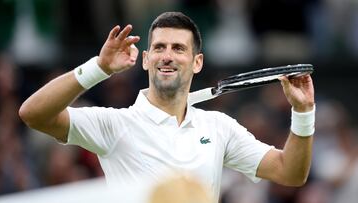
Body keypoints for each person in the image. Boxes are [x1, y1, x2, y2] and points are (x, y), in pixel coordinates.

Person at [19, 12, 315, 202]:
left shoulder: (218, 127)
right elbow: (33, 113)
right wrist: (99, 67)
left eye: (179, 48)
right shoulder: (114, 125)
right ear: (146, 59)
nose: (167, 56)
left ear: (197, 62)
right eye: (159, 48)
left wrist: (303, 112)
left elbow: (290, 172)